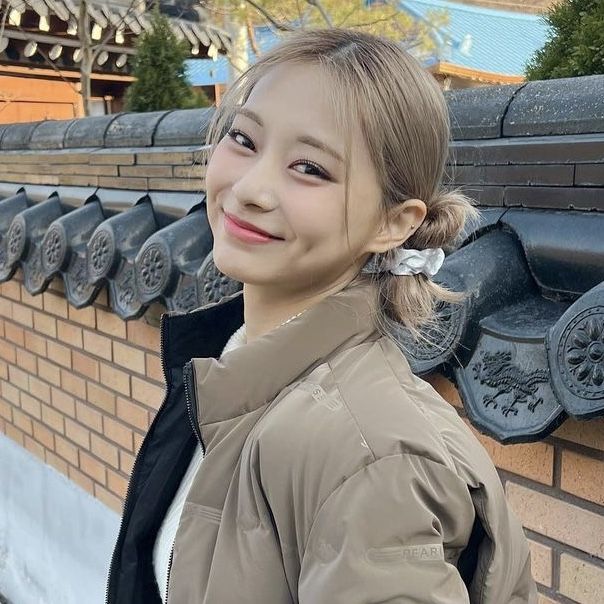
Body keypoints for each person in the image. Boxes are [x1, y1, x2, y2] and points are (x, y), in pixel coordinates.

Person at [106, 28, 538, 604]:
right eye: (243, 138)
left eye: (310, 168)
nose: (251, 188)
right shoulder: (228, 366)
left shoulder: (371, 456)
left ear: (393, 222)